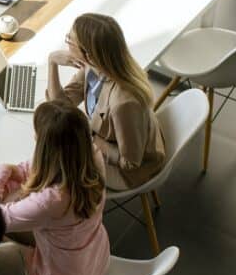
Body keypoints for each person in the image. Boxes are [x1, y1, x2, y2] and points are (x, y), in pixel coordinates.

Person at [0, 100, 110, 275]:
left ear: (46, 146)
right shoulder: (91, 157)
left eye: (37, 134)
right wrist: (19, 171)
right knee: (14, 200)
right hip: (96, 261)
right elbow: (36, 167)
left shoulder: (52, 200)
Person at [48, 13, 166, 190]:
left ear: (88, 54)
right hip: (110, 142)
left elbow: (130, 163)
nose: (67, 44)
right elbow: (60, 105)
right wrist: (52, 62)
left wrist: (91, 137)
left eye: (69, 40)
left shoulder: (124, 104)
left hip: (128, 173)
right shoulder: (95, 67)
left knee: (56, 164)